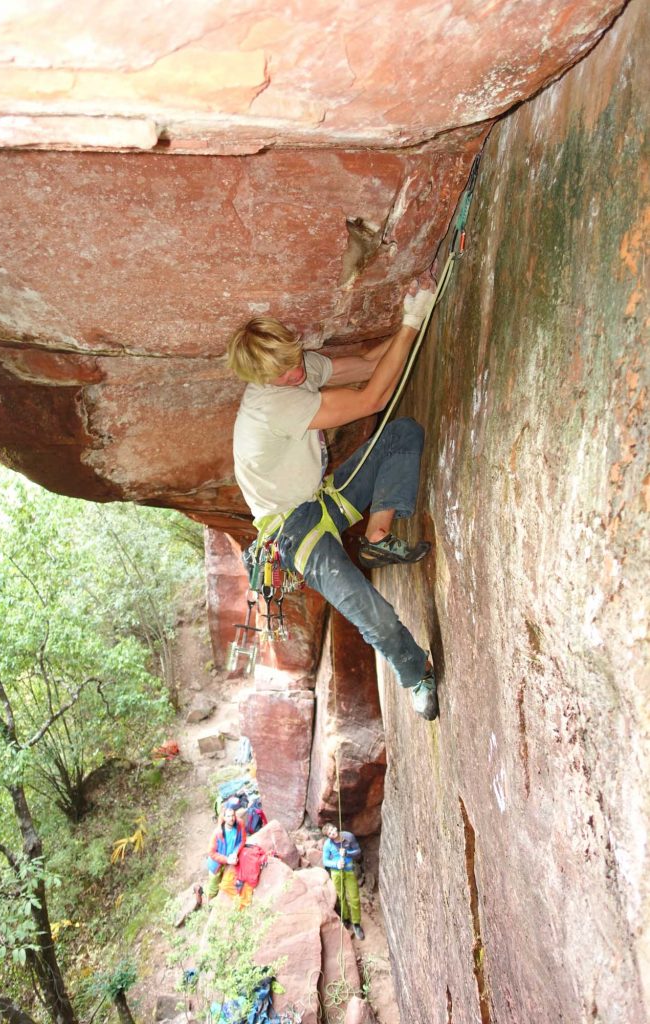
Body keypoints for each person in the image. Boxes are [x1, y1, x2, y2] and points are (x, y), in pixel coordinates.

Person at [226, 284, 439, 719]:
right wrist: (413, 323)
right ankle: (416, 673)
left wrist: (411, 318)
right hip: (292, 531)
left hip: (320, 501)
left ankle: (378, 534)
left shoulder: (296, 367)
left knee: (403, 434)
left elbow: (363, 365)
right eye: (282, 372)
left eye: (292, 359)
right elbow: (371, 399)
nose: (294, 373)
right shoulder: (271, 406)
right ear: (261, 380)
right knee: (369, 611)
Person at [322, 824, 364, 940]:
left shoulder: (348, 837)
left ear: (335, 828)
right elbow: (325, 861)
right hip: (336, 872)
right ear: (328, 836)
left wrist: (347, 853)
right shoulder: (327, 845)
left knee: (354, 897)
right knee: (341, 896)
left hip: (349, 870)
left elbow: (358, 852)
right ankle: (345, 918)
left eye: (332, 830)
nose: (332, 833)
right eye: (329, 834)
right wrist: (336, 864)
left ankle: (356, 923)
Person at [206, 804, 246, 900]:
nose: (231, 819)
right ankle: (209, 901)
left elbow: (242, 840)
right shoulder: (217, 833)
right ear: (224, 818)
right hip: (217, 864)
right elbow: (211, 852)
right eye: (228, 816)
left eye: (233, 815)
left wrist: (235, 853)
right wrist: (227, 859)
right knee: (213, 886)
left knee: (226, 881)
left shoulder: (239, 824)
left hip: (230, 860)